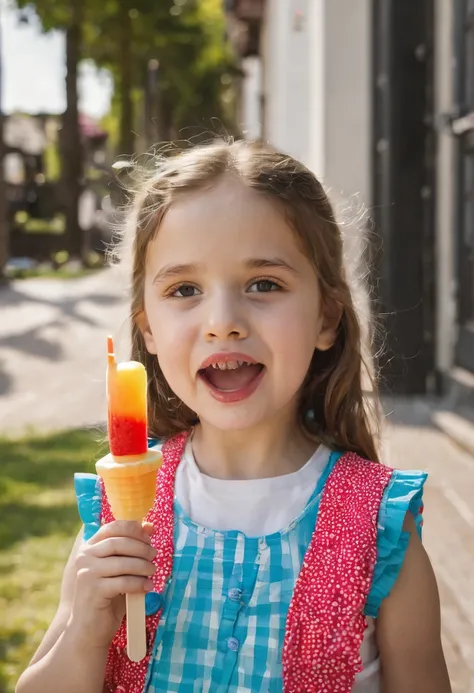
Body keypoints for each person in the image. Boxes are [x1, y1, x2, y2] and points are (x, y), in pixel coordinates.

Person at [16, 141, 451, 693]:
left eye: (264, 284)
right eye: (185, 289)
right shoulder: (113, 522)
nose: (223, 321)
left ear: (326, 315)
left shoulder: (382, 532)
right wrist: (82, 632)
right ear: (148, 328)